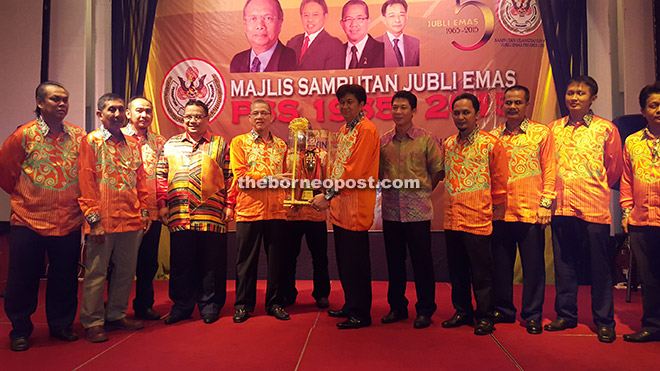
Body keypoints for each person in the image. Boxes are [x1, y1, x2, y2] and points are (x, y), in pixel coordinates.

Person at [0, 81, 86, 351]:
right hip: (29, 219)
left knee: (65, 278)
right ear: (39, 103)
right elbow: (5, 173)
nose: (62, 104)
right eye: (55, 99)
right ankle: (20, 329)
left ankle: (61, 325)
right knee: (22, 278)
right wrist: (29, 197)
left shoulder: (79, 136)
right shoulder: (23, 135)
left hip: (68, 220)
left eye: (65, 100)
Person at [546, 75, 623, 343]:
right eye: (570, 93)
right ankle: (566, 315)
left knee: (599, 268)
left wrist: (592, 186)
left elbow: (613, 169)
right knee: (564, 264)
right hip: (561, 207)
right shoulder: (554, 129)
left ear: (593, 98)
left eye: (580, 93)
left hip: (593, 208)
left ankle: (604, 320)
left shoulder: (606, 129)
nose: (574, 97)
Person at [78, 93, 150, 343]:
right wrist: (93, 220)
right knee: (96, 273)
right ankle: (93, 321)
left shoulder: (133, 143)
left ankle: (117, 314)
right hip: (103, 221)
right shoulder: (91, 142)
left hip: (131, 218)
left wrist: (144, 211)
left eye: (121, 110)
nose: (117, 114)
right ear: (100, 114)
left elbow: (140, 180)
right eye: (111, 110)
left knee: (126, 272)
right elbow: (85, 182)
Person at [157, 100, 233, 325]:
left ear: (207, 119)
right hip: (179, 214)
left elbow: (230, 177)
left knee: (212, 263)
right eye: (189, 116)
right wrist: (162, 204)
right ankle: (182, 306)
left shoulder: (220, 144)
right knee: (182, 263)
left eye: (198, 116)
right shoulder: (171, 144)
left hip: (212, 215)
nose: (193, 120)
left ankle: (210, 305)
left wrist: (230, 204)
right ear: (183, 119)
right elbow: (161, 176)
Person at [311, 84, 379, 329]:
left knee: (357, 263)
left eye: (350, 102)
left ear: (362, 105)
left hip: (356, 207)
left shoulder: (366, 130)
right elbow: (338, 167)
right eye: (342, 102)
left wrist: (326, 196)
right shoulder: (344, 130)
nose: (345, 107)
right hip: (340, 208)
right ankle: (351, 305)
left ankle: (361, 313)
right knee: (345, 262)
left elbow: (355, 171)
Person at [489, 85, 555, 335]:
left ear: (526, 104)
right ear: (502, 105)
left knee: (533, 266)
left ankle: (532, 314)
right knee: (501, 265)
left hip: (531, 211)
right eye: (508, 102)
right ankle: (504, 310)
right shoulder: (493, 137)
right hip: (501, 212)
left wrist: (546, 204)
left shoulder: (541, 133)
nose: (513, 106)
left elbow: (550, 171)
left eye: (518, 102)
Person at [441, 93, 508, 336]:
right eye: (456, 112)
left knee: (482, 272)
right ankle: (462, 310)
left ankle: (485, 315)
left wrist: (498, 212)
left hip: (479, 219)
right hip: (452, 218)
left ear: (477, 114)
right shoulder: (448, 144)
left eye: (466, 112)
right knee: (457, 270)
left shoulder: (490, 143)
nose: (460, 117)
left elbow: (500, 182)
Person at [379, 90, 442, 328]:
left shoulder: (426, 139)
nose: (398, 112)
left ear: (414, 111)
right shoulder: (383, 141)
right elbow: (377, 174)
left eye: (403, 107)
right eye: (395, 107)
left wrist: (423, 190)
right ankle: (397, 307)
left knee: (422, 263)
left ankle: (425, 309)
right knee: (394, 263)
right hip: (391, 213)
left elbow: (437, 171)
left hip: (418, 213)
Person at [230, 99, 291, 322]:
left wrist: (289, 192)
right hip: (249, 211)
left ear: (271, 117)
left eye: (264, 113)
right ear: (249, 118)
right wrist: (271, 179)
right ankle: (243, 305)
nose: (259, 117)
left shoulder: (282, 146)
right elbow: (241, 179)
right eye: (255, 113)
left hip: (277, 211)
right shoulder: (239, 143)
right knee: (246, 261)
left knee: (277, 261)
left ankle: (275, 302)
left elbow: (286, 178)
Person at [619, 82, 660, 343]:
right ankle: (653, 325)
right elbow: (626, 181)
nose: (659, 110)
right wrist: (626, 213)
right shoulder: (633, 142)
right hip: (642, 220)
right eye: (653, 105)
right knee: (650, 278)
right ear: (643, 111)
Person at [121, 97, 166, 321]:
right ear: (128, 113)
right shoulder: (116, 139)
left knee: (148, 262)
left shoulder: (159, 142)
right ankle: (114, 310)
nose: (144, 115)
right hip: (123, 213)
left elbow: (163, 177)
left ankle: (144, 305)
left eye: (148, 111)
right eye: (139, 111)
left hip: (152, 211)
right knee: (120, 265)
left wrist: (162, 205)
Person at [281, 125, 331, 309]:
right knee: (288, 257)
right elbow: (281, 181)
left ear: (309, 133)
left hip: (315, 213)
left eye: (302, 132)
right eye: (294, 132)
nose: (298, 136)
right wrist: (289, 198)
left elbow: (328, 180)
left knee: (320, 257)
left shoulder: (321, 155)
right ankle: (287, 293)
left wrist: (324, 198)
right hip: (292, 214)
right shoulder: (285, 154)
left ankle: (322, 294)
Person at [231, 0, 297, 73]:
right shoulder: (237, 61)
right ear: (245, 24)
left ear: (279, 23)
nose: (260, 26)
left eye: (268, 18)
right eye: (253, 18)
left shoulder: (294, 60)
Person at [286, 0, 345, 70]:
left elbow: (332, 78)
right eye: (306, 15)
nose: (310, 19)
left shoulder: (334, 45)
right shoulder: (292, 43)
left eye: (315, 15)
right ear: (301, 17)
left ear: (325, 17)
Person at [340, 0, 384, 69]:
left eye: (359, 18)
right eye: (348, 19)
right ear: (342, 24)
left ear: (368, 22)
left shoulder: (384, 51)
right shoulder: (336, 53)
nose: (354, 24)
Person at [375, 0, 419, 67]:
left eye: (401, 15)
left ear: (406, 17)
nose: (397, 20)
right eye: (392, 16)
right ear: (383, 19)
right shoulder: (373, 46)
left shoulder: (417, 44)